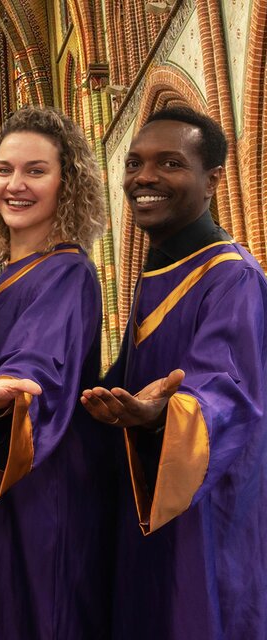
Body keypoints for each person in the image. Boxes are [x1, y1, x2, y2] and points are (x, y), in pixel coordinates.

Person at [81, 106, 267, 639]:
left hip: (207, 506)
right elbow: (120, 381)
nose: (144, 177)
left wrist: (163, 414)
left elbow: (227, 390)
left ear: (212, 180)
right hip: (149, 495)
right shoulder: (159, 271)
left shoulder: (231, 276)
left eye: (170, 163)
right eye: (134, 163)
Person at [0, 106, 115, 639]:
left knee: (40, 614)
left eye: (35, 171)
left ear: (68, 183)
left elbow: (43, 356)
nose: (15, 185)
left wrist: (9, 384)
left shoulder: (67, 269)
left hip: (44, 482)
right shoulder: (2, 275)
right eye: (4, 170)